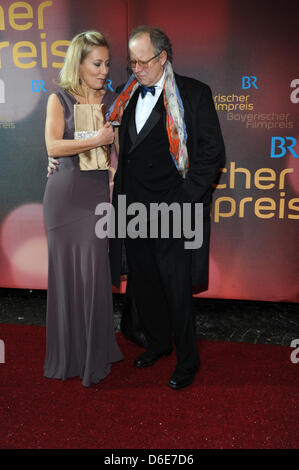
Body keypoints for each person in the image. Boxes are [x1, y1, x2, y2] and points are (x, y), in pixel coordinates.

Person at [108, 26, 225, 389]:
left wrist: (186, 197)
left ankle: (188, 360)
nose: (137, 69)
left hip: (174, 211)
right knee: (144, 285)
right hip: (133, 211)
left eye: (144, 61)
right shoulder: (124, 97)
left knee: (176, 287)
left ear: (162, 58)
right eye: (132, 62)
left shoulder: (193, 93)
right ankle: (159, 343)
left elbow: (211, 153)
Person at [43, 31, 123, 388]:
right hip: (62, 199)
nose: (104, 69)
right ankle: (68, 356)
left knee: (93, 276)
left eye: (107, 63)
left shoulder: (114, 99)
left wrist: (113, 146)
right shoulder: (58, 99)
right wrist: (96, 140)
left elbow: (121, 153)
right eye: (97, 63)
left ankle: (94, 354)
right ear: (78, 63)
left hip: (95, 199)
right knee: (65, 279)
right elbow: (53, 145)